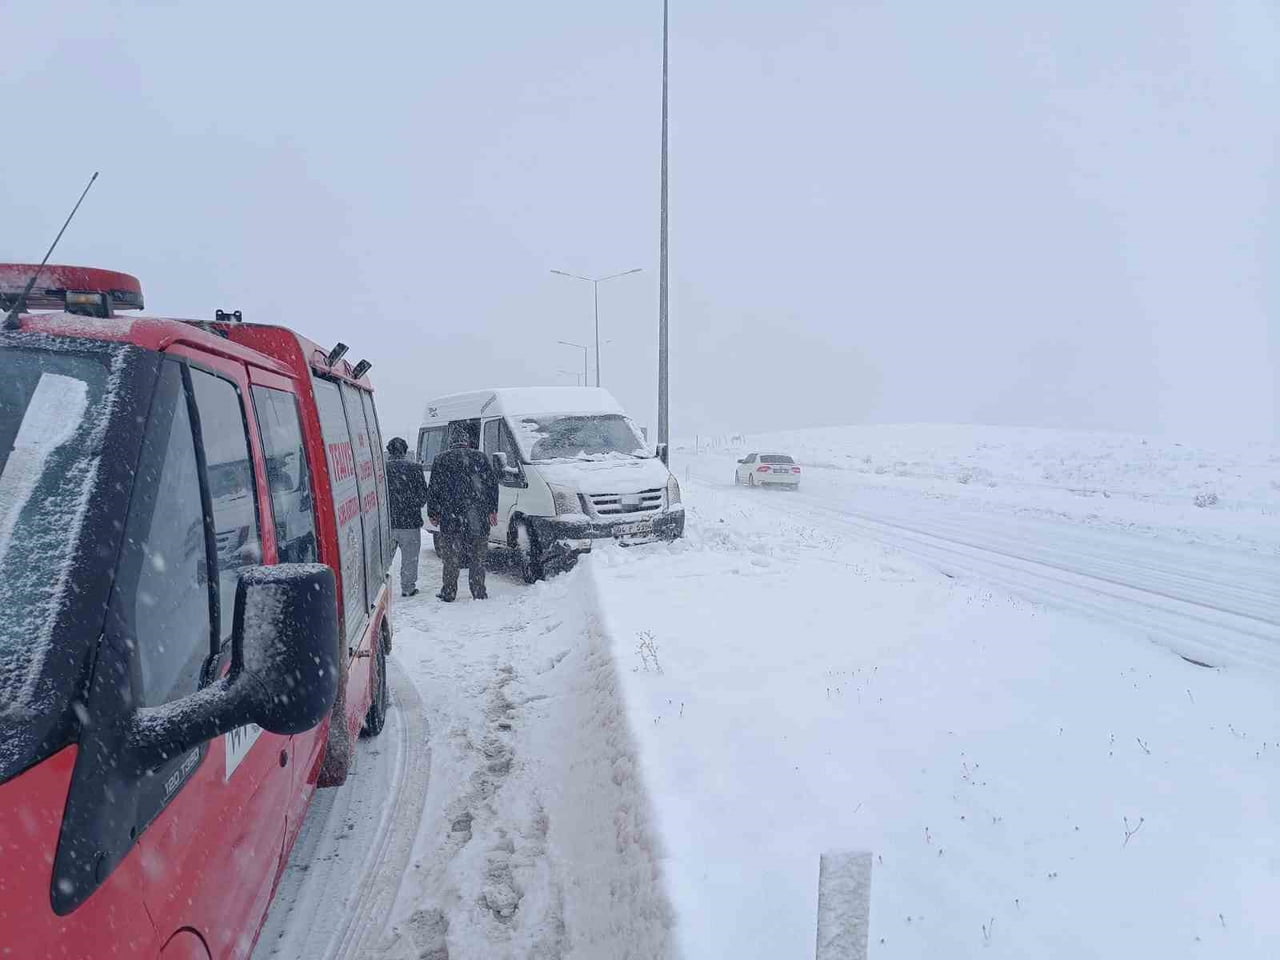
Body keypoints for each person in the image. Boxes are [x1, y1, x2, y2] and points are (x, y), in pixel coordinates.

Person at [427, 424, 499, 602]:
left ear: (451, 443)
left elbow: (434, 488)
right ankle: (478, 591)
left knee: (451, 559)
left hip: (450, 518)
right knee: (477, 558)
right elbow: (492, 486)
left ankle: (449, 592)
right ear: (467, 442)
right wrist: (492, 510)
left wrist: (433, 512)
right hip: (477, 517)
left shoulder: (440, 460)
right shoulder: (480, 458)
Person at [385, 437, 430, 597]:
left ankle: (378, 587)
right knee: (410, 559)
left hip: (387, 523)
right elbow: (423, 495)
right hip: (410, 522)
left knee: (382, 560)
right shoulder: (415, 468)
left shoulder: (382, 469)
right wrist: (412, 504)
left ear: (389, 451)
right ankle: (408, 588)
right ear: (404, 451)